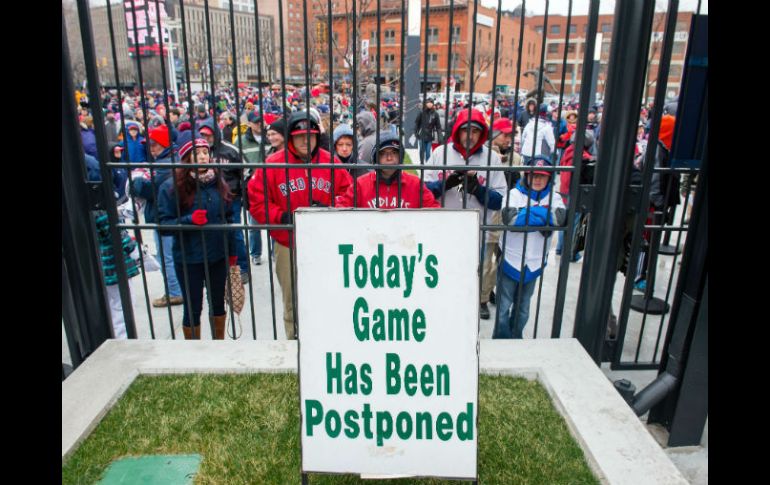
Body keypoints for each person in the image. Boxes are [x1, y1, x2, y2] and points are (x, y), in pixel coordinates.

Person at [247, 111, 353, 340]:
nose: (306, 140)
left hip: (325, 242)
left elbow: (349, 193)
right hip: (288, 241)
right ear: (290, 138)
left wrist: (329, 208)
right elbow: (256, 200)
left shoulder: (330, 161)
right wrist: (281, 216)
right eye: (300, 136)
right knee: (292, 298)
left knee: (328, 293)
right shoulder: (274, 163)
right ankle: (293, 343)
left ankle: (327, 340)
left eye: (311, 135)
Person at [423, 108, 507, 321]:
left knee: (475, 273)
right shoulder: (440, 153)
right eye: (465, 130)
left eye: (475, 131)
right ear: (457, 131)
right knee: (442, 272)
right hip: (443, 228)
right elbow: (423, 191)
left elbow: (499, 201)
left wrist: (478, 189)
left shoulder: (492, 159)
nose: (470, 136)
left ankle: (474, 307)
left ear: (482, 134)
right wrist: (446, 183)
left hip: (477, 230)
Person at [157, 131, 237, 340]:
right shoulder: (171, 187)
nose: (203, 157)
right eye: (196, 153)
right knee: (193, 307)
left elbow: (228, 219)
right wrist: (188, 220)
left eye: (205, 152)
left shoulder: (218, 183)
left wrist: (233, 253)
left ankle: (218, 344)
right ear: (186, 157)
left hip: (217, 256)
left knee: (218, 302)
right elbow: (163, 225)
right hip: (189, 258)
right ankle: (193, 350)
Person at [494, 156, 566, 339]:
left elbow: (559, 219)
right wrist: (543, 214)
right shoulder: (513, 194)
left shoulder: (555, 197)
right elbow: (510, 220)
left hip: (534, 263)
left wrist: (526, 213)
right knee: (503, 306)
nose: (537, 179)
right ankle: (501, 340)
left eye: (542, 176)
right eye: (533, 175)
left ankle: (516, 338)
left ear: (550, 178)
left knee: (523, 308)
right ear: (526, 175)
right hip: (510, 259)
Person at [129, 124, 185, 308]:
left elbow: (149, 189)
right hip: (168, 215)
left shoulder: (165, 164)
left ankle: (175, 292)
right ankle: (177, 289)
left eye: (155, 145)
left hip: (164, 217)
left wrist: (136, 181)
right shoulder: (169, 160)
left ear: (164, 144)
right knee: (170, 255)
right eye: (150, 145)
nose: (151, 149)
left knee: (166, 256)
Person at [85, 153, 139, 339]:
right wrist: (133, 248)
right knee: (121, 306)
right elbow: (114, 232)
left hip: (96, 265)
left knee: (107, 305)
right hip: (113, 264)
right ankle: (123, 341)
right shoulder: (99, 205)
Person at [197, 117, 251, 284]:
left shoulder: (230, 150)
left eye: (208, 135)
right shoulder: (199, 151)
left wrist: (241, 192)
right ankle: (219, 269)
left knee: (234, 233)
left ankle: (242, 268)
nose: (206, 138)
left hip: (231, 198)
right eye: (203, 135)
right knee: (213, 233)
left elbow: (247, 171)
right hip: (208, 198)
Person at [336, 131, 440, 209]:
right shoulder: (361, 185)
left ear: (400, 156)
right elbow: (342, 209)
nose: (389, 158)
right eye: (383, 153)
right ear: (376, 157)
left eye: (394, 153)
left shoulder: (415, 184)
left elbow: (433, 212)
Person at [556, 130, 596, 262]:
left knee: (566, 221)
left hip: (565, 191)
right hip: (575, 193)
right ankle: (571, 253)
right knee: (574, 224)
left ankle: (560, 248)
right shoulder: (582, 157)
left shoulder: (568, 151)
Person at [414, 98, 442, 163]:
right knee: (421, 150)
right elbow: (417, 123)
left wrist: (440, 136)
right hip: (422, 135)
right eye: (428, 102)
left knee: (428, 151)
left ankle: (427, 164)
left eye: (431, 102)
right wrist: (416, 132)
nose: (429, 104)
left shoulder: (435, 114)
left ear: (433, 104)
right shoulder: (421, 112)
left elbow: (438, 126)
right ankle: (421, 163)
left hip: (430, 135)